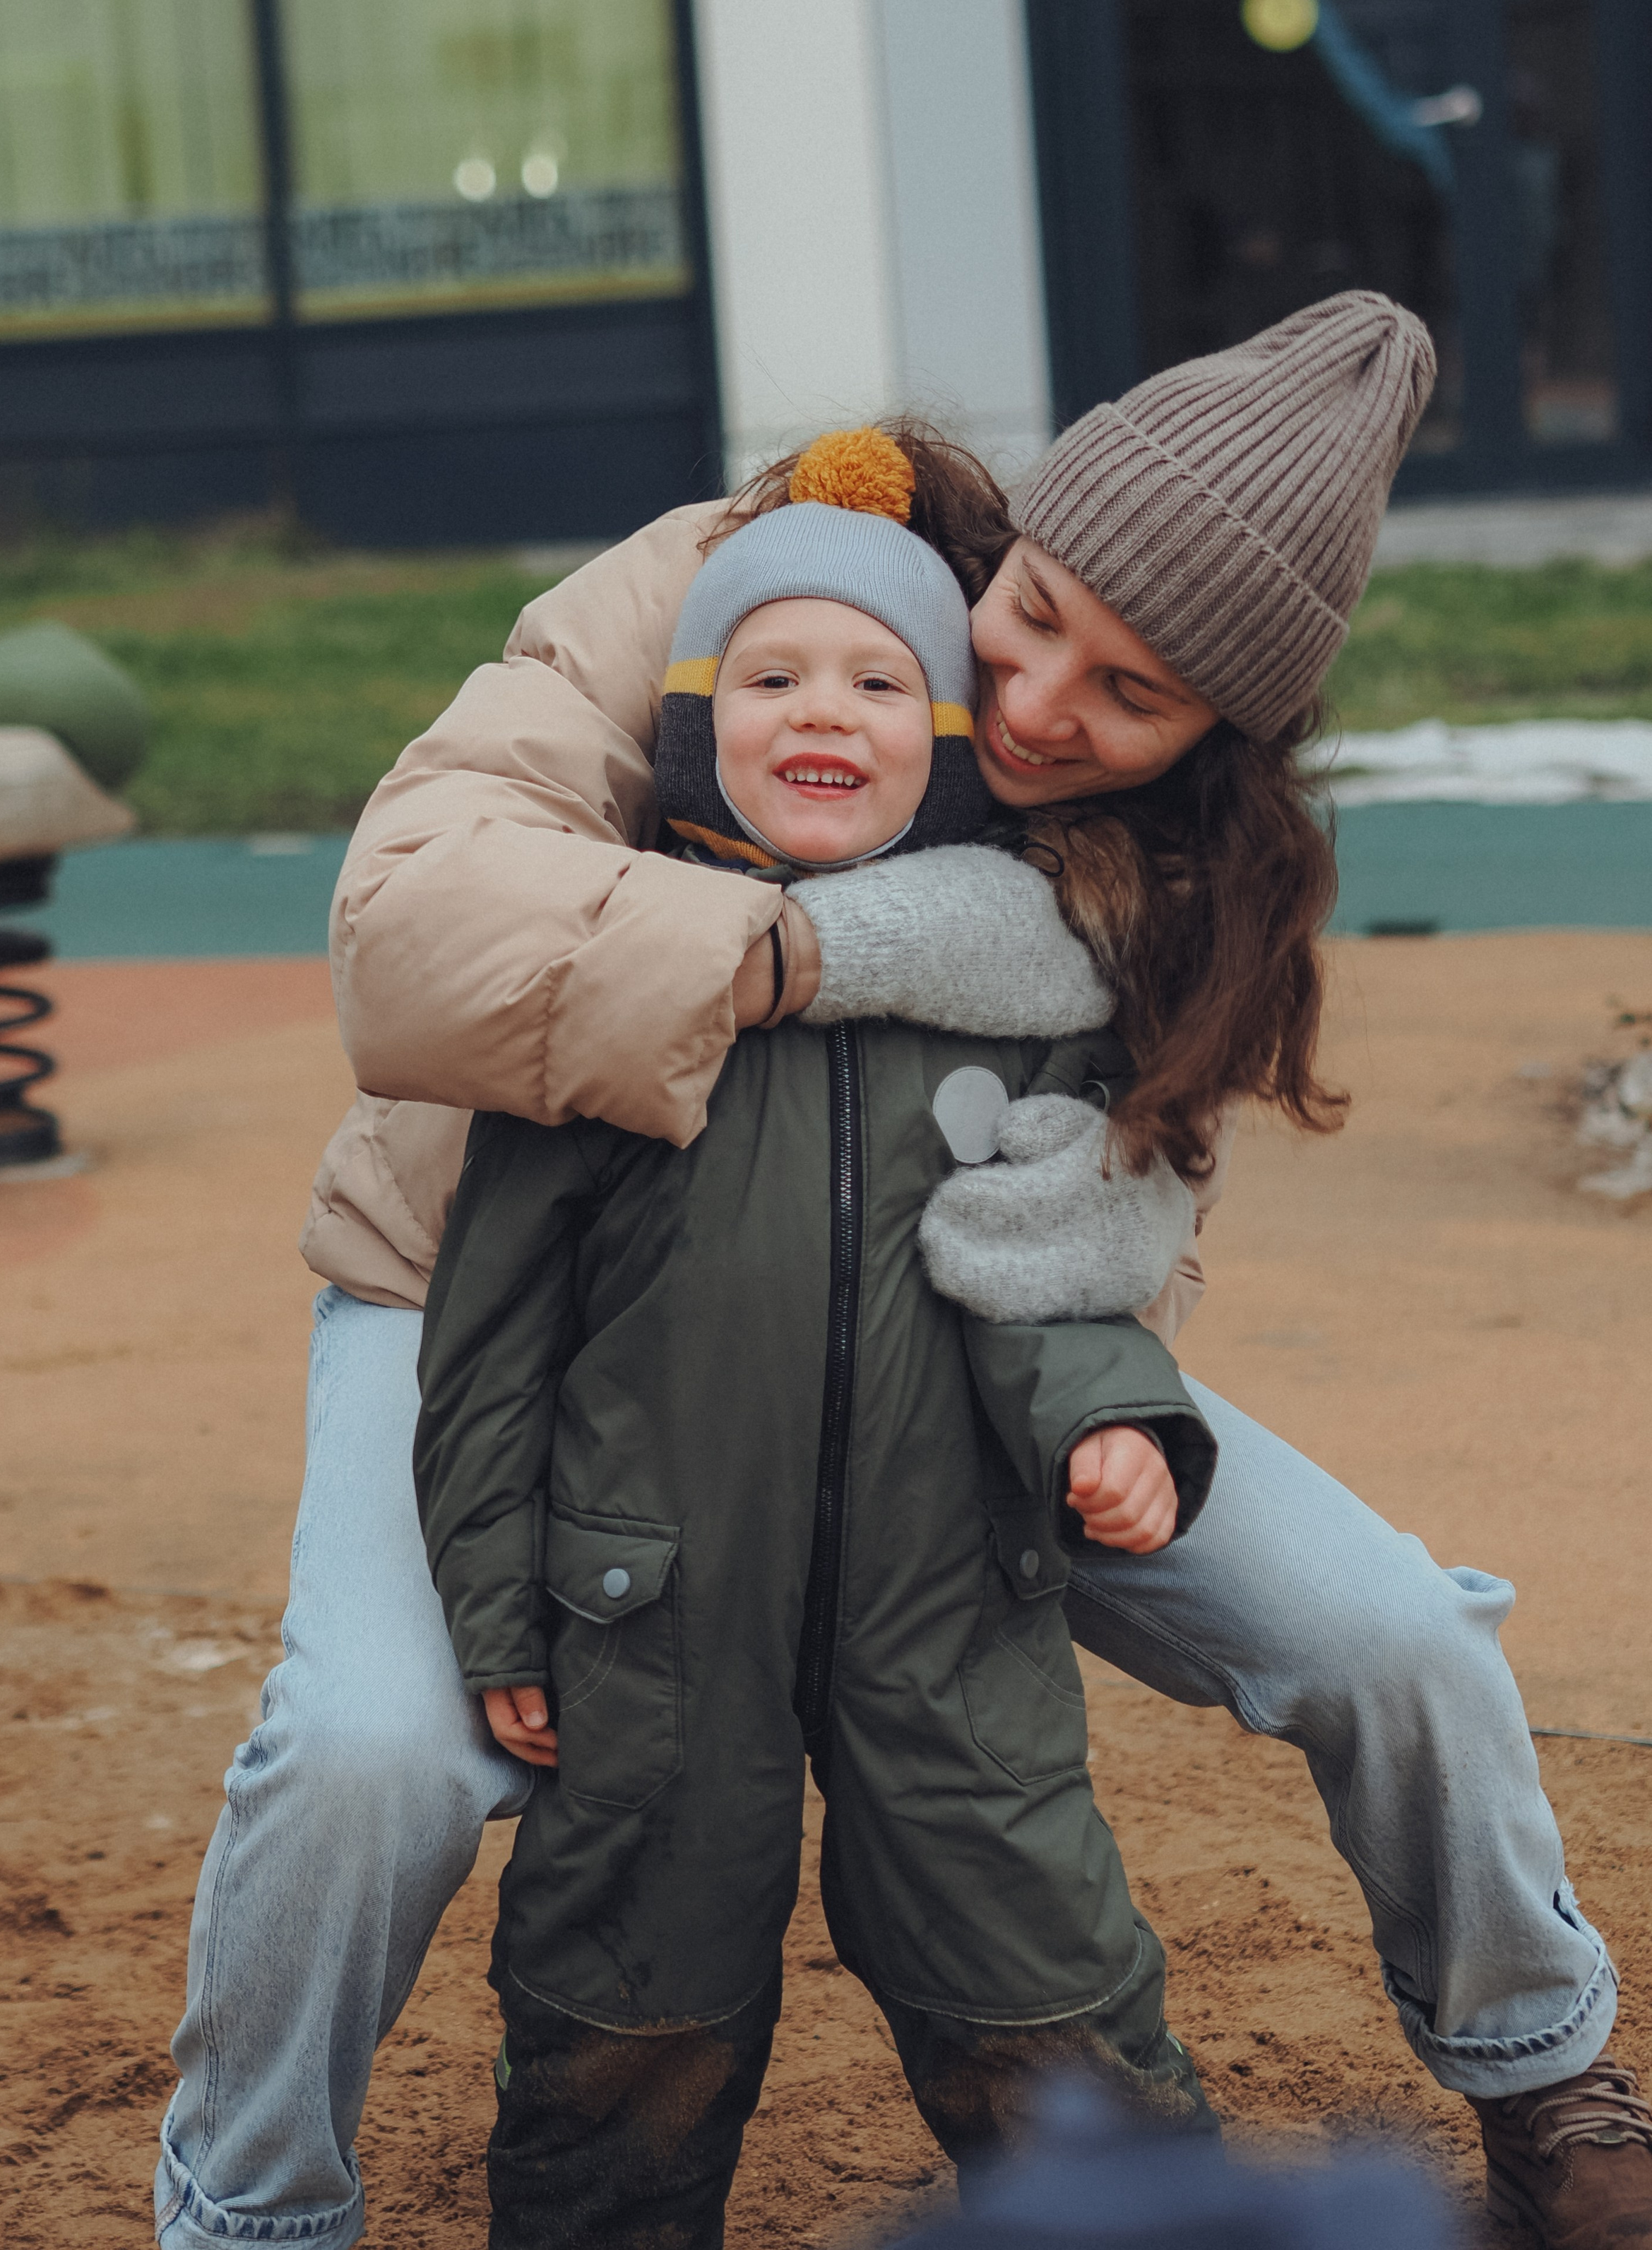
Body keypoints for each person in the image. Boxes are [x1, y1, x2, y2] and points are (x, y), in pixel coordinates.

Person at [155, 296, 1652, 2250]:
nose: (1036, 706)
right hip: (487, 1300)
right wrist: (807, 948)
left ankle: (1549, 2080)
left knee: (1396, 1633)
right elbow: (411, 937)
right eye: (1033, 617)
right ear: (1015, 538)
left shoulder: (1186, 860)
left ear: (1213, 739)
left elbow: (1116, 1210)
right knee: (369, 1751)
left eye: (1131, 696)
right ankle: (250, 2211)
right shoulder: (743, 587)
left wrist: (1101, 1317)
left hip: (943, 1357)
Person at [413, 437, 1220, 2246]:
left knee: (1035, 1969)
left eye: (875, 681)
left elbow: (1042, 1278)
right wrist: (494, 1606)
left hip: (949, 1596)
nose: (821, 713)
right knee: (627, 1993)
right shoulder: (624, 993)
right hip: (647, 1602)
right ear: (693, 723)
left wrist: (1112, 1423)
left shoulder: (1011, 1009)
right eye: (768, 676)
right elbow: (490, 1346)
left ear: (946, 737)